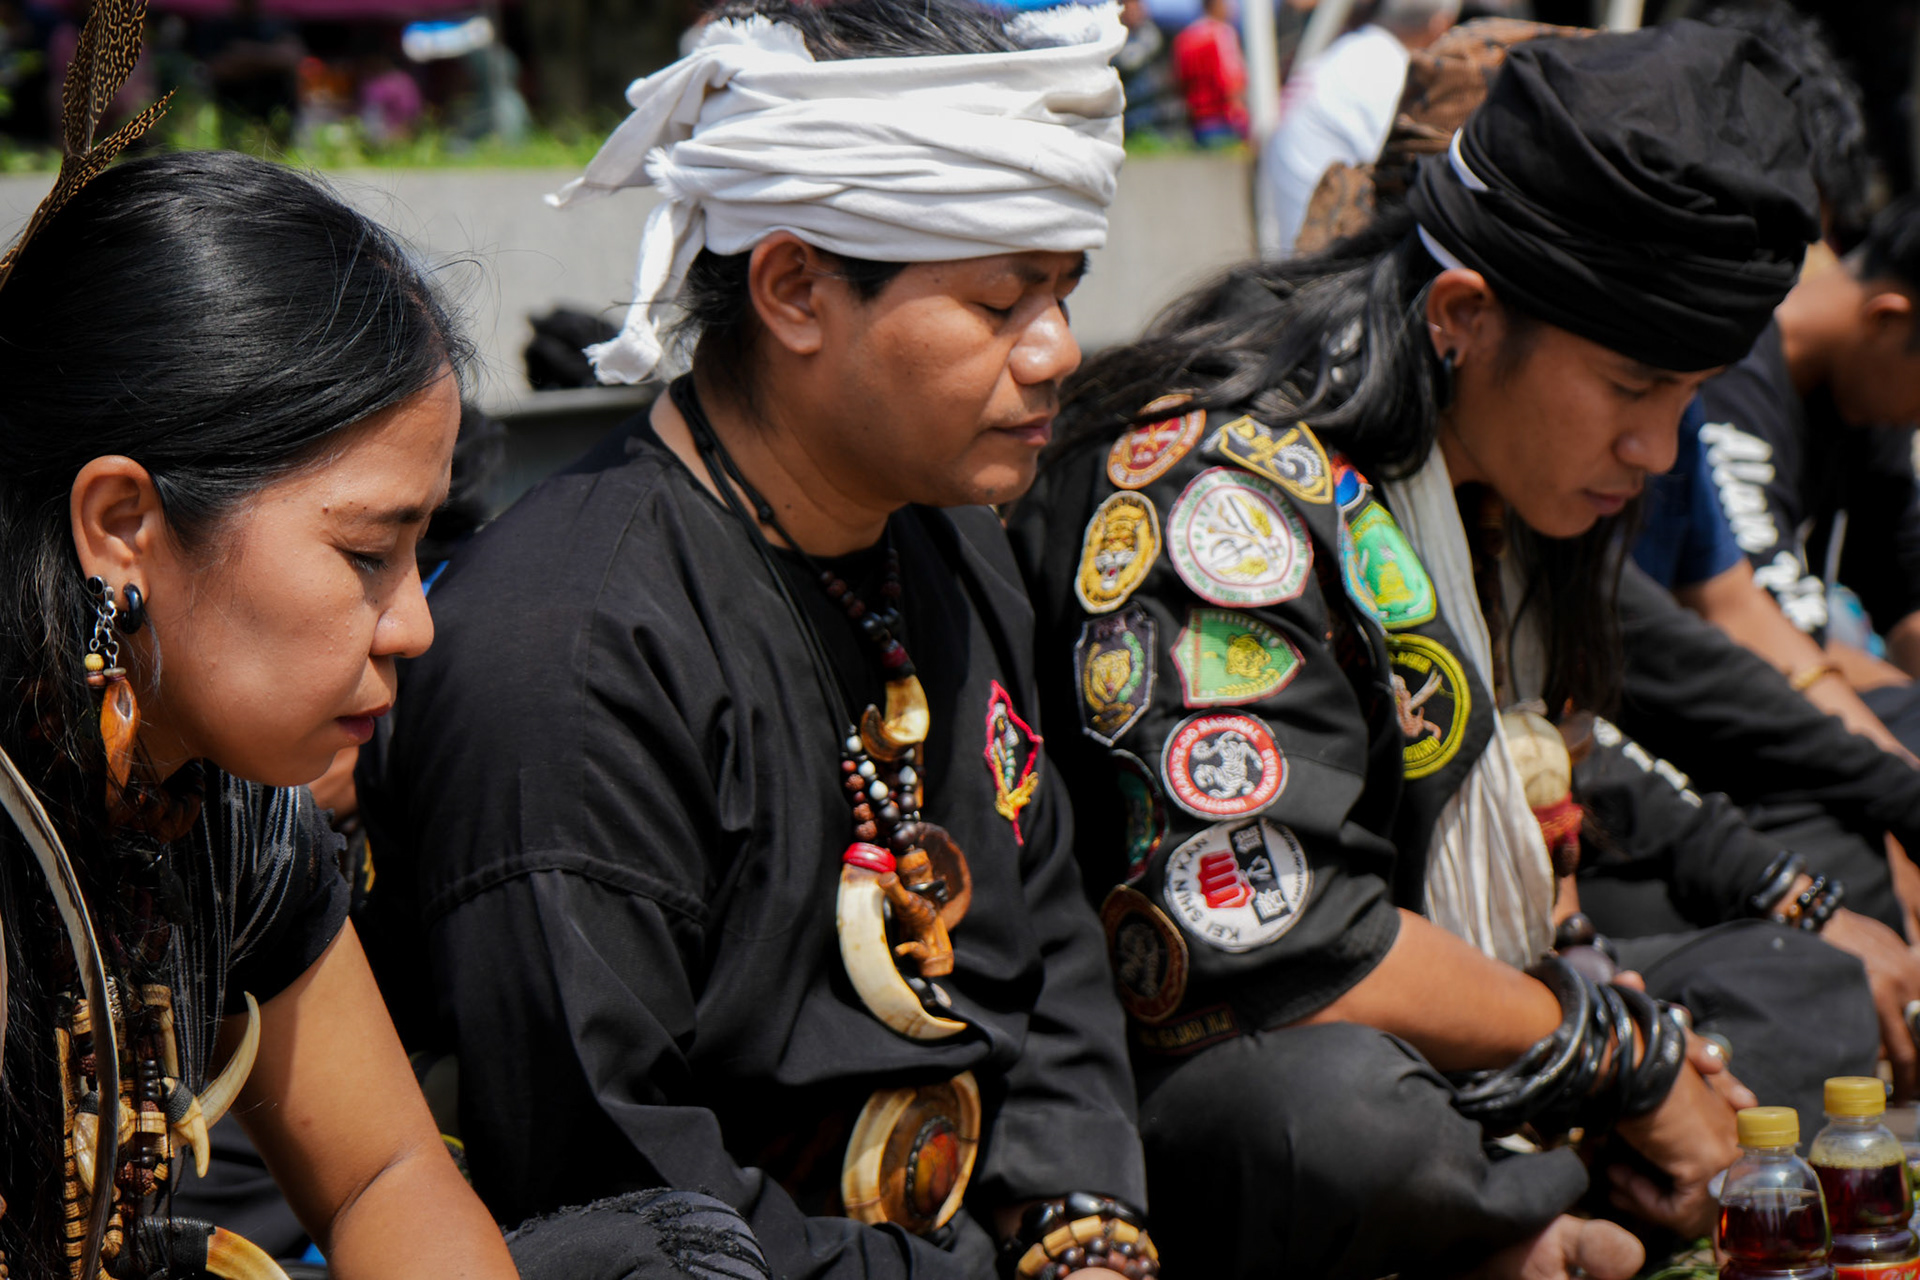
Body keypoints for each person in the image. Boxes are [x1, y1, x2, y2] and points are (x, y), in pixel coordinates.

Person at [1009, 22, 1877, 1280]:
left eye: (1687, 400)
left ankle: (1538, 1206)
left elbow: (1561, 788)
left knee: (1804, 983)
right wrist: (1623, 1054)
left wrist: (1633, 1029)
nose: (1656, 450)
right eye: (1635, 389)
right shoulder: (1223, 497)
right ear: (1465, 314)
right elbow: (1272, 928)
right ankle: (1537, 1208)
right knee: (1326, 1116)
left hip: (1473, 1019)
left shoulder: (1499, 472)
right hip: (1258, 1044)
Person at [360, 2, 1153, 1279]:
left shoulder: (948, 532)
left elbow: (1042, 929)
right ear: (793, 289)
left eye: (1063, 290)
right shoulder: (572, 659)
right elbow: (614, 1196)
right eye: (1002, 298)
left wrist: (1081, 1223)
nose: (1056, 350)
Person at [0, 16, 521, 1271]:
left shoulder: (218, 795)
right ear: (124, 520)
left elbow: (385, 1167)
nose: (417, 621)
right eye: (363, 556)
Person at [1262, 0, 1460, 255]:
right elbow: (1421, 176)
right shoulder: (1388, 70)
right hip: (1322, 260)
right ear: (1440, 26)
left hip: (1289, 243)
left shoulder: (1351, 53)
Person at [1171, 0, 1246, 146]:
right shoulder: (1222, 33)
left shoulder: (1185, 37)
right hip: (1224, 119)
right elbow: (1232, 78)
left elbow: (1178, 80)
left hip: (1196, 121)